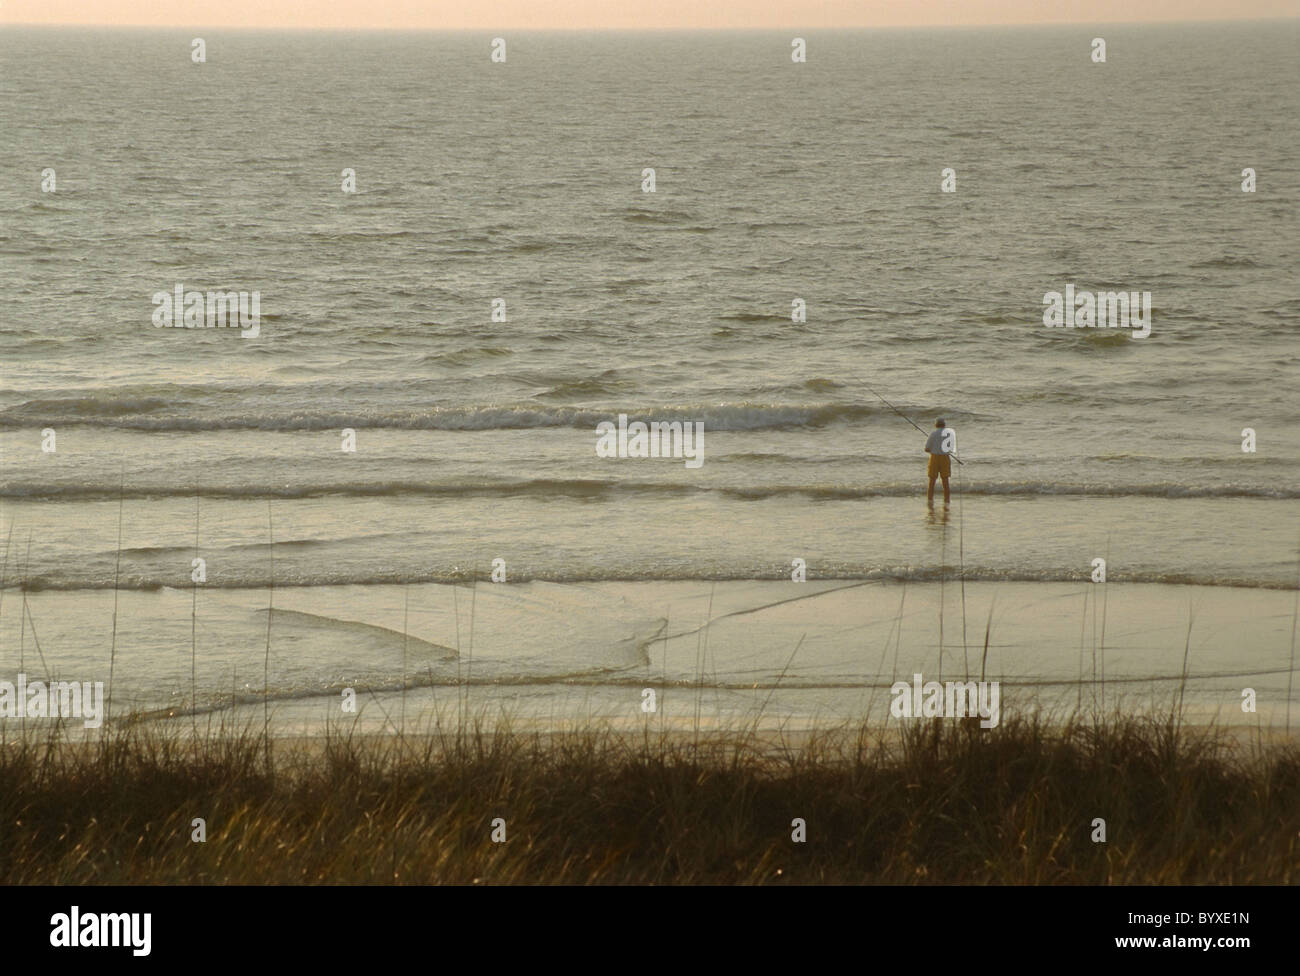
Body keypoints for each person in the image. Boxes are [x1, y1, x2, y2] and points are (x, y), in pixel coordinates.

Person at [924, 418, 953, 506]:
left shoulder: (933, 434)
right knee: (945, 481)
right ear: (944, 425)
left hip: (934, 458)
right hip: (945, 458)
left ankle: (930, 501)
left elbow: (926, 449)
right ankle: (947, 501)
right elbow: (950, 449)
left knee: (932, 481)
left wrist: (934, 449)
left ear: (936, 425)